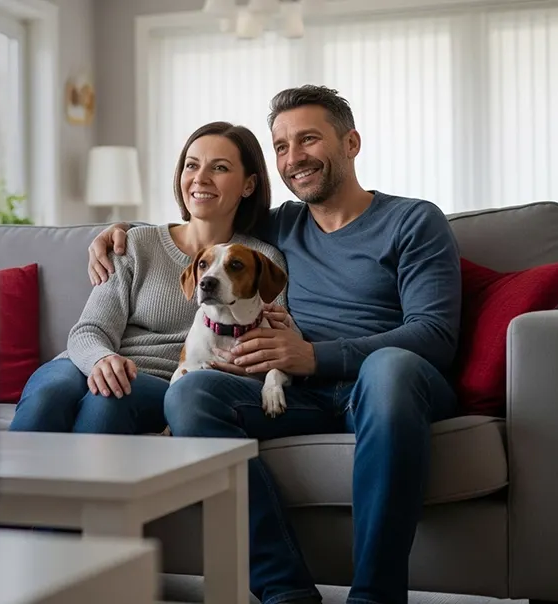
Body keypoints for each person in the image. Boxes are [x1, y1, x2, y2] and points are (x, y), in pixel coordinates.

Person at [86, 86, 462, 604]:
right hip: (301, 392)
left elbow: (435, 336)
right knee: (188, 395)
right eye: (282, 146)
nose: (294, 158)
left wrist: (313, 355)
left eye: (309, 139)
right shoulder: (279, 227)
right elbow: (203, 222)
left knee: (390, 368)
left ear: (351, 142)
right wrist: (118, 233)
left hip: (390, 387)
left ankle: (375, 597)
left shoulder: (413, 221)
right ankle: (285, 590)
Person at [8, 121, 286, 434]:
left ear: (248, 185)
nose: (200, 178)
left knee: (110, 399)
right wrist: (102, 360)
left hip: (166, 382)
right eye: (191, 165)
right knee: (48, 395)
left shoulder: (262, 261)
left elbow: (276, 345)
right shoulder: (135, 243)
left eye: (219, 167)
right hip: (89, 362)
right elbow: (90, 329)